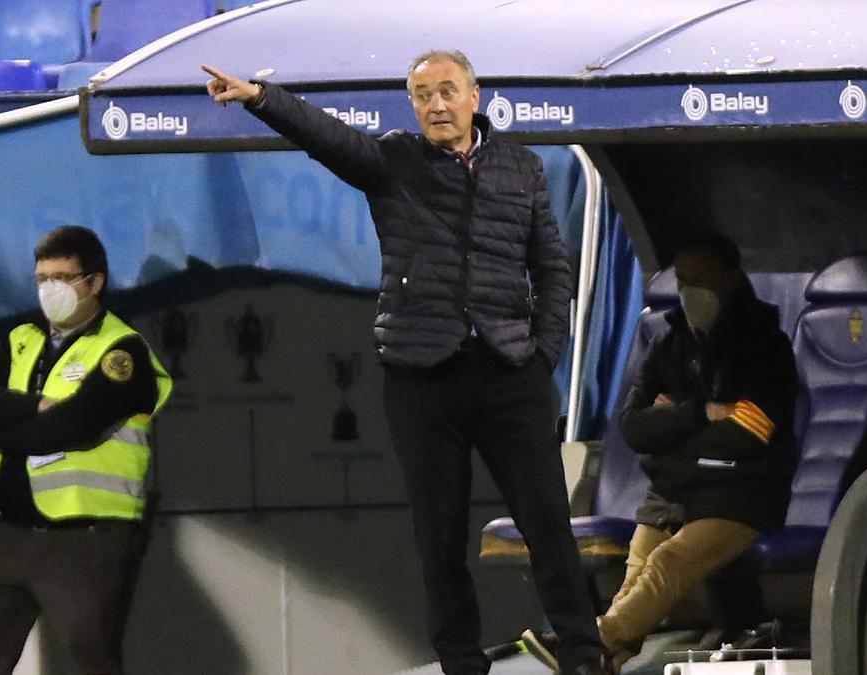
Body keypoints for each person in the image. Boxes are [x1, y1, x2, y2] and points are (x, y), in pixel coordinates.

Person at [202, 50, 605, 675]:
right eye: (422, 95)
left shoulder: (522, 166)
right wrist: (261, 97)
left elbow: (551, 268)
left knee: (548, 523)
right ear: (411, 105)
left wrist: (542, 353)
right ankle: (461, 663)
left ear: (476, 95)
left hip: (509, 373)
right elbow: (326, 136)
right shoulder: (393, 161)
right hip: (422, 376)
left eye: (447, 91)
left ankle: (583, 656)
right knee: (438, 538)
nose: (436, 105)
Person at [0, 226, 172, 675]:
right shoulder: (21, 340)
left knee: (90, 658)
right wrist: (35, 406)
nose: (50, 290)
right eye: (42, 278)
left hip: (86, 540)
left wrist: (4, 435)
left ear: (94, 283)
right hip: (8, 532)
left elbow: (73, 426)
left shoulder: (121, 352)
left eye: (62, 278)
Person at [597, 233, 798, 672]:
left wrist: (669, 433)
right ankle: (604, 657)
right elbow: (633, 428)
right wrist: (703, 413)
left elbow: (752, 431)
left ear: (731, 278)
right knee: (636, 576)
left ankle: (594, 642)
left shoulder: (765, 346)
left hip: (741, 498)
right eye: (683, 280)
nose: (690, 292)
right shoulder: (668, 342)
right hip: (673, 495)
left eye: (701, 279)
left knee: (666, 562)